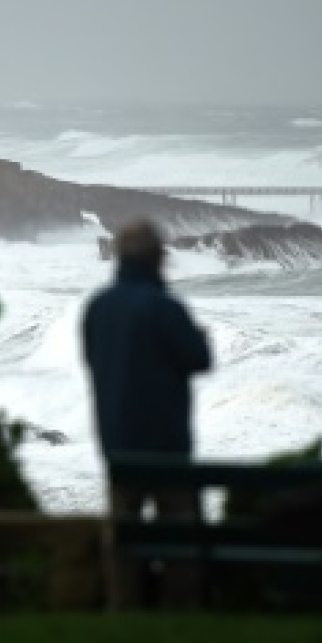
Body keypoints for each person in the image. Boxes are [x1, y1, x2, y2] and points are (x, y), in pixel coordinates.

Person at [82, 219, 213, 608]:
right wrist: (200, 337)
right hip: (167, 444)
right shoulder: (165, 307)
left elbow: (93, 360)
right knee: (179, 539)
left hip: (117, 441)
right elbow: (199, 359)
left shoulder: (98, 308)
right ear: (157, 258)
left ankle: (124, 610)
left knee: (123, 538)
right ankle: (179, 613)